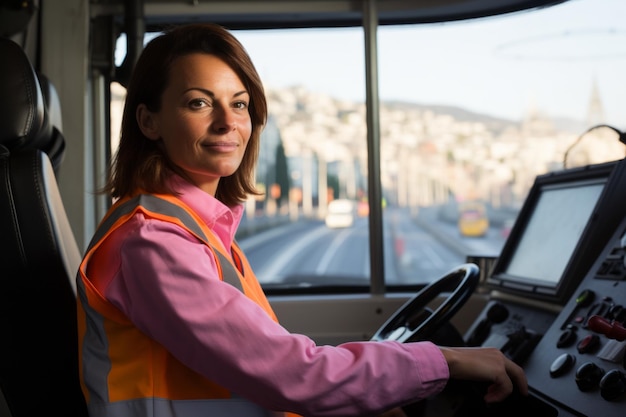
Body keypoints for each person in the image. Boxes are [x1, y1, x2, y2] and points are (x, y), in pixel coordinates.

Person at [76, 22, 527, 417]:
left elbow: (268, 364)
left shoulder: (198, 230)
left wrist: (380, 390)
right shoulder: (153, 243)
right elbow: (294, 374)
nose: (226, 122)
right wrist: (446, 361)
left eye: (239, 103)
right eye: (198, 103)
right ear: (148, 121)